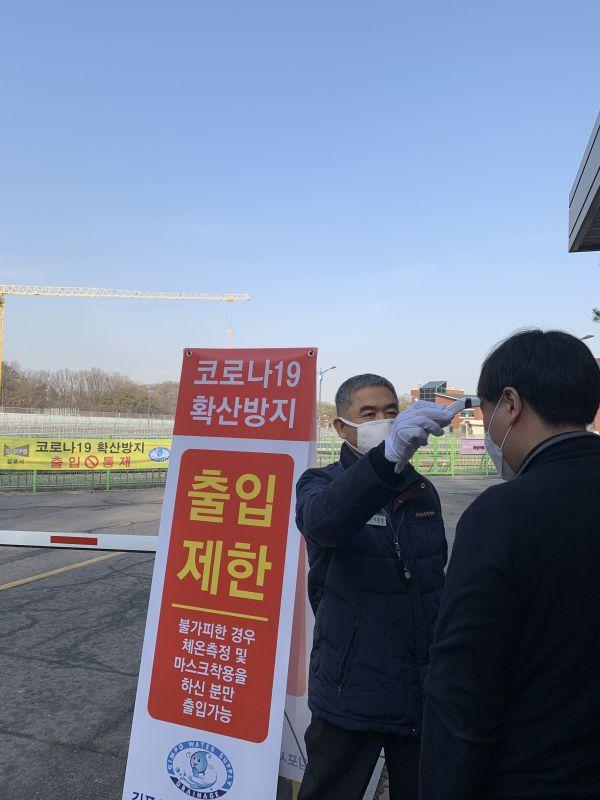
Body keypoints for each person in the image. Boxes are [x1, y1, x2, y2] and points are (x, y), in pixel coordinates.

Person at [420, 329, 600, 800]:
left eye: (485, 414)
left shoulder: (502, 515)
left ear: (510, 403)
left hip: (532, 776)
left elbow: (463, 688)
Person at [295, 373, 455, 800]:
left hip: (419, 685)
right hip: (350, 683)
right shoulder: (319, 482)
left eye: (390, 412)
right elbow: (323, 524)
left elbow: (433, 577)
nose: (382, 421)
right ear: (341, 427)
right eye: (368, 414)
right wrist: (385, 461)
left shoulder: (421, 490)